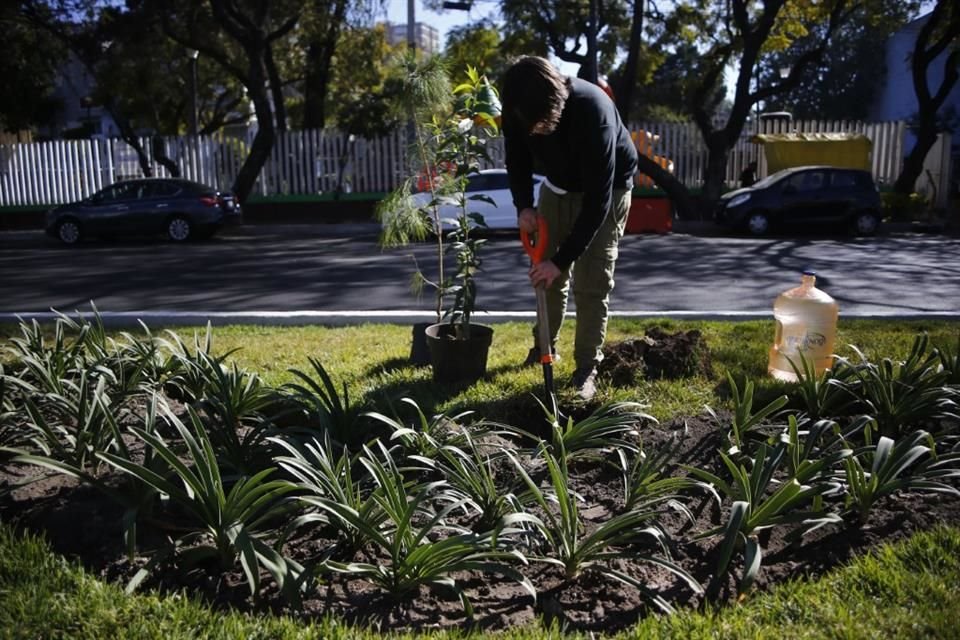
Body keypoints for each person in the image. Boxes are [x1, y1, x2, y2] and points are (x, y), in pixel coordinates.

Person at [500, 56, 639, 401]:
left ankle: (586, 368)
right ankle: (544, 348)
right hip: (557, 187)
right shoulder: (518, 105)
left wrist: (560, 260)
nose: (532, 131)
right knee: (546, 278)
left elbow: (597, 204)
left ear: (555, 104)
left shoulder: (594, 112)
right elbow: (516, 157)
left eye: (540, 124)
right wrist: (523, 206)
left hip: (607, 192)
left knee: (592, 282)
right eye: (526, 124)